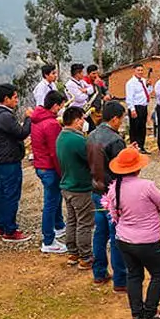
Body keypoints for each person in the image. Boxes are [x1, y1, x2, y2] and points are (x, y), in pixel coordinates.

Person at [102, 146, 160, 319]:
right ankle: (150, 311)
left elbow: (114, 213)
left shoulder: (114, 188)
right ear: (137, 167)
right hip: (147, 240)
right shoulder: (147, 186)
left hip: (124, 239)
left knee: (134, 275)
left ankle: (137, 312)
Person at [87, 101, 130, 292]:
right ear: (114, 119)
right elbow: (123, 168)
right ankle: (120, 280)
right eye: (121, 118)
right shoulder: (115, 140)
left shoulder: (91, 135)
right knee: (116, 236)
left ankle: (99, 272)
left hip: (96, 190)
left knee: (100, 233)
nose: (121, 122)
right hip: (112, 192)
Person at [0, 83, 34, 243]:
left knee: (2, 192)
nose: (16, 100)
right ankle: (10, 230)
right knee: (11, 194)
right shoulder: (4, 116)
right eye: (14, 97)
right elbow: (21, 133)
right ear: (6, 99)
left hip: (1, 157)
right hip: (9, 159)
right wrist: (28, 118)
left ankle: (1, 225)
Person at [57, 106, 95, 269]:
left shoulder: (61, 136)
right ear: (77, 120)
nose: (84, 122)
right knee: (84, 223)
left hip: (67, 186)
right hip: (80, 187)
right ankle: (85, 257)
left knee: (72, 220)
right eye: (83, 119)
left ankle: (73, 253)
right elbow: (91, 158)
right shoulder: (77, 140)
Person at [32, 90, 68, 254]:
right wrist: (62, 171)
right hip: (49, 167)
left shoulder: (37, 119)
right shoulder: (52, 124)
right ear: (54, 106)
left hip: (41, 165)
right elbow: (55, 152)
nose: (61, 109)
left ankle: (58, 225)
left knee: (55, 198)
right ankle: (48, 240)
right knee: (51, 203)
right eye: (60, 106)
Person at [124, 64, 151, 153]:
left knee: (142, 128)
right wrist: (132, 109)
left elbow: (148, 92)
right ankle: (134, 148)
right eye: (138, 70)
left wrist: (149, 86)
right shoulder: (130, 83)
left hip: (143, 106)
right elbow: (129, 97)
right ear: (134, 71)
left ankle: (141, 146)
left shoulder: (143, 81)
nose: (140, 72)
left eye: (141, 70)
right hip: (135, 107)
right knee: (135, 128)